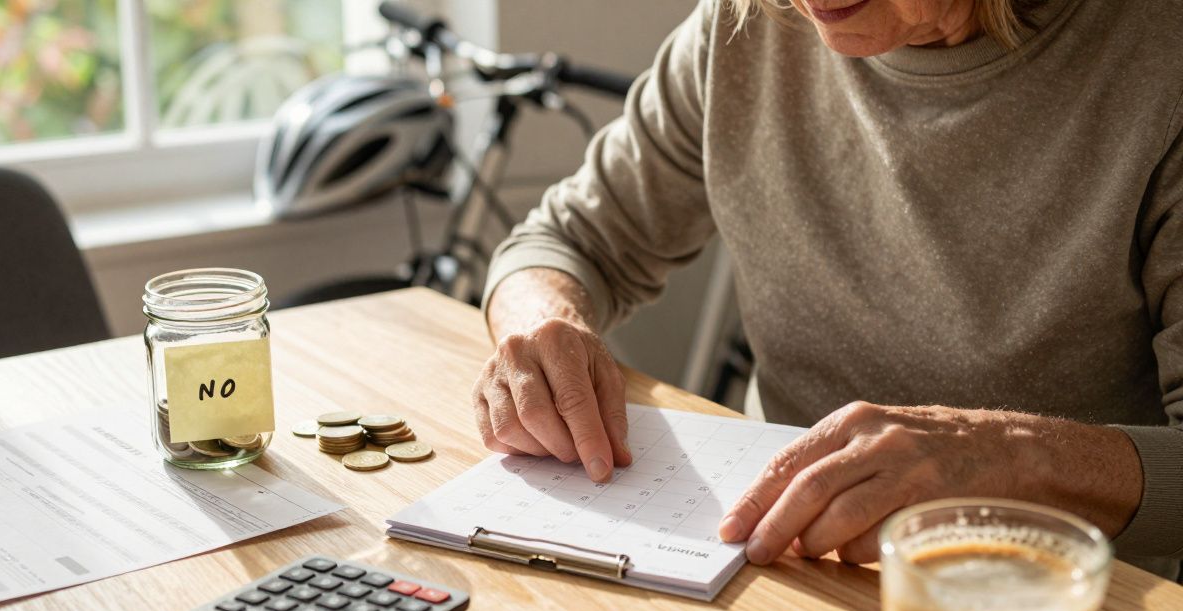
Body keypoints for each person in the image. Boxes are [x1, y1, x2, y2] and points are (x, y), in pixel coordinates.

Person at [471, 0, 1183, 579]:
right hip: (775, 568)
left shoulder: (1160, 65)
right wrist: (541, 323)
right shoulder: (747, 24)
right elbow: (567, 241)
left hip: (1065, 608)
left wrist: (1004, 457)